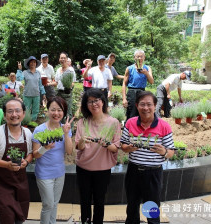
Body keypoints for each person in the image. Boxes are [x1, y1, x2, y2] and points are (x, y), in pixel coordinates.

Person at [120, 91, 175, 224]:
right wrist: (128, 148)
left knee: (151, 209)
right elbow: (123, 144)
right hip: (133, 171)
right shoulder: (130, 123)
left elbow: (171, 151)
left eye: (149, 104)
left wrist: (164, 152)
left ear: (155, 106)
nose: (146, 108)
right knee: (132, 207)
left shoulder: (164, 126)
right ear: (137, 105)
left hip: (153, 173)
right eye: (142, 104)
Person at [0, 99, 33, 224]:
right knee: (7, 217)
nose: (14, 115)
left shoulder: (27, 133)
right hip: (1, 182)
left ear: (23, 113)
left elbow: (31, 154)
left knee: (20, 215)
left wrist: (26, 162)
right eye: (10, 111)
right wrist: (7, 165)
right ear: (5, 115)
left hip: (20, 181)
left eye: (17, 111)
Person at [75, 88, 121, 224]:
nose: (94, 104)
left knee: (100, 202)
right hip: (84, 168)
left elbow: (115, 148)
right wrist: (82, 140)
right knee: (84, 201)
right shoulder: (82, 122)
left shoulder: (113, 123)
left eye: (96, 100)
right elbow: (79, 147)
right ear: (85, 105)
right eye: (89, 102)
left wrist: (106, 144)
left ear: (103, 101)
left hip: (102, 170)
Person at [32, 97, 74, 224]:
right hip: (44, 173)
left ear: (63, 112)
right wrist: (45, 148)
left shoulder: (66, 128)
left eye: (59, 110)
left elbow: (69, 151)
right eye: (53, 109)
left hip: (59, 172)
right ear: (48, 111)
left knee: (55, 204)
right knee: (48, 204)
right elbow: (35, 155)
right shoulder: (39, 130)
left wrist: (66, 134)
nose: (56, 113)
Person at [122, 50, 154, 120]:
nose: (139, 58)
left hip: (142, 92)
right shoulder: (129, 68)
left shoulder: (147, 68)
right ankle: (128, 129)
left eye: (141, 56)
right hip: (132, 92)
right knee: (131, 113)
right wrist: (124, 98)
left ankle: (140, 129)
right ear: (134, 58)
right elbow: (124, 83)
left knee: (142, 112)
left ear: (144, 58)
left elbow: (151, 81)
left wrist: (146, 73)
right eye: (137, 57)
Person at [22, 56, 46, 121]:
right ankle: (26, 122)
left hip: (36, 95)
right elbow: (18, 79)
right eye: (31, 62)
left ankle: (33, 122)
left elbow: (40, 85)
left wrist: (43, 93)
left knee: (35, 110)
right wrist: (19, 70)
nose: (33, 63)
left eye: (34, 62)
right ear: (29, 64)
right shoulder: (25, 72)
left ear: (36, 63)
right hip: (27, 95)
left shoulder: (38, 73)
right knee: (26, 110)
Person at [54, 52, 77, 120]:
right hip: (58, 93)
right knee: (58, 110)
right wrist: (48, 83)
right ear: (59, 59)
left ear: (67, 59)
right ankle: (59, 127)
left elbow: (73, 82)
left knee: (67, 112)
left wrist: (69, 86)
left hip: (66, 94)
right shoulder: (58, 70)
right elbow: (56, 82)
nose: (63, 59)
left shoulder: (71, 70)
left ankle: (69, 129)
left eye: (64, 58)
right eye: (61, 58)